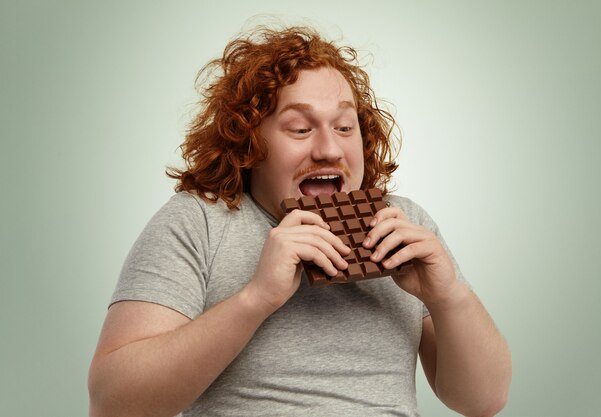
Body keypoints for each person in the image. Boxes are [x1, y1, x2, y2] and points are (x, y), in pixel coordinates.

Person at [88, 25, 512, 417]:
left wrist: (448, 296)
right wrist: (257, 299)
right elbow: (113, 403)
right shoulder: (198, 222)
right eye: (299, 128)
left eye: (345, 127)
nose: (329, 149)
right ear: (249, 143)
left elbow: (482, 400)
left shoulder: (402, 223)